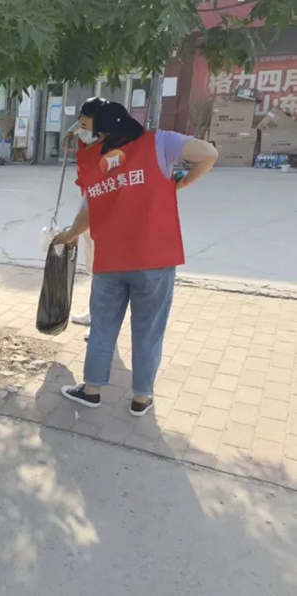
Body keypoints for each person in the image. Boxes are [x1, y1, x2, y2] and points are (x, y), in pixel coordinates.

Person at [54, 102, 218, 417]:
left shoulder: (97, 160)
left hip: (111, 260)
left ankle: (91, 390)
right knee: (148, 330)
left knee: (103, 327)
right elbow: (208, 153)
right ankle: (141, 397)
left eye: (95, 132)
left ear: (103, 132)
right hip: (154, 259)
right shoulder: (160, 143)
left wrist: (71, 234)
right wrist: (183, 182)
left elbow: (88, 212)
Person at [63, 97, 108, 339]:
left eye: (87, 125)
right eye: (81, 122)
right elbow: (77, 127)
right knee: (92, 264)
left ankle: (102, 322)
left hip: (104, 202)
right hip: (89, 194)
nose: (83, 128)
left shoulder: (114, 143)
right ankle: (94, 312)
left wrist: (70, 233)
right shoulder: (85, 131)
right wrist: (69, 133)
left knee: (103, 266)